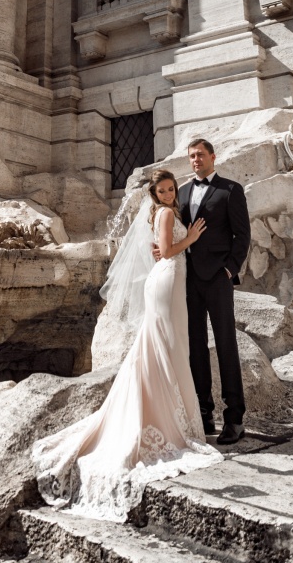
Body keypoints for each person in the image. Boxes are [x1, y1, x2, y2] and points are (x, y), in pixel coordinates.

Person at [32, 169, 222, 523]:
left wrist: (180, 242)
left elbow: (162, 250)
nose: (169, 194)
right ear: (154, 194)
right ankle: (162, 419)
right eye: (162, 191)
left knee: (165, 345)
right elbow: (168, 251)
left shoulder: (166, 213)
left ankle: (162, 413)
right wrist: (192, 237)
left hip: (168, 280)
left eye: (171, 189)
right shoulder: (165, 214)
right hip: (166, 282)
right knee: (166, 345)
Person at [159, 138, 251, 445]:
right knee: (195, 346)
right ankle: (203, 413)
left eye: (200, 155)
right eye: (191, 156)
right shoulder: (182, 192)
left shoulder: (231, 190)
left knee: (226, 344)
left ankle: (235, 418)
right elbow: (173, 231)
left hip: (218, 279)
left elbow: (242, 235)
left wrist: (229, 270)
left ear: (213, 156)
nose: (196, 160)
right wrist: (161, 249)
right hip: (188, 280)